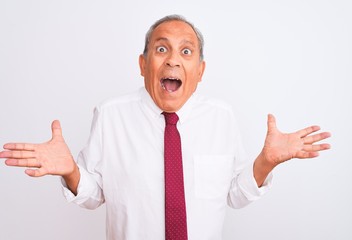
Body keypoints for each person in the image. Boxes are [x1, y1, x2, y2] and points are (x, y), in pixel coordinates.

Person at [0, 15, 331, 240]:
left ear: (200, 71)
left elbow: (233, 196)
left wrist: (265, 164)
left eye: (186, 51)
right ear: (143, 64)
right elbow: (95, 195)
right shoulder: (110, 115)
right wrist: (71, 171)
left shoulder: (222, 117)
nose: (173, 60)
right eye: (162, 49)